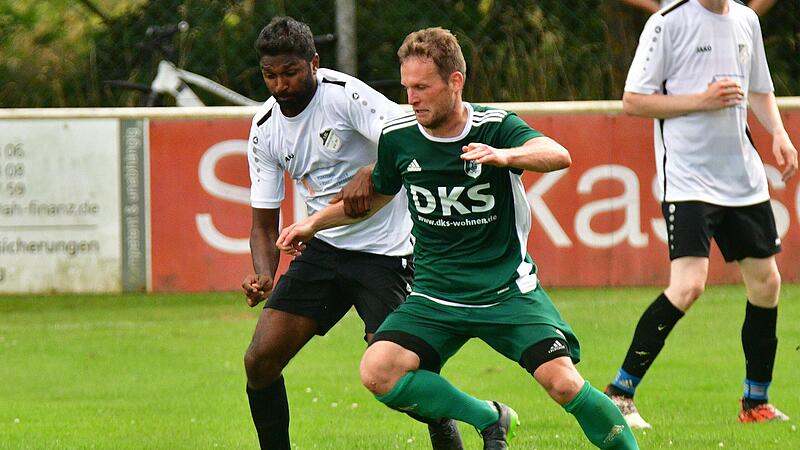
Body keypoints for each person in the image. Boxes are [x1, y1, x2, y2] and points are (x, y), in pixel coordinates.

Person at [276, 27, 639, 450]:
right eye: (407, 87)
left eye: (422, 87)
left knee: (562, 384)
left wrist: (505, 156)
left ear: (455, 82)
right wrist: (312, 224)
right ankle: (489, 415)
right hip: (435, 295)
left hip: (505, 290)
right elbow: (375, 195)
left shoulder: (495, 126)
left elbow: (558, 154)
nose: (412, 98)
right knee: (378, 371)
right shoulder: (399, 138)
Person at [242, 17, 465, 450]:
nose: (281, 84)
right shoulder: (264, 128)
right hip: (325, 248)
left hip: (387, 251)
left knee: (393, 375)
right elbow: (262, 223)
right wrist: (263, 273)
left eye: (290, 72)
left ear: (313, 63)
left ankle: (458, 427)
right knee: (260, 360)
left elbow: (407, 135)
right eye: (270, 75)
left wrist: (371, 171)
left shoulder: (344, 96)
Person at [603, 0, 797, 429]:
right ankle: (619, 392)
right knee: (689, 285)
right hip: (689, 179)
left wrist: (779, 134)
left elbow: (760, 89)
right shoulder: (666, 23)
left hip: (742, 178)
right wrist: (702, 100)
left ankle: (755, 403)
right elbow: (634, 101)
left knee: (767, 283)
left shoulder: (746, 19)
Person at [621, 0, 776, 15]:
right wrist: (657, 9)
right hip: (676, 28)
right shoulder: (663, 24)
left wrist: (746, 18)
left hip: (725, 25)